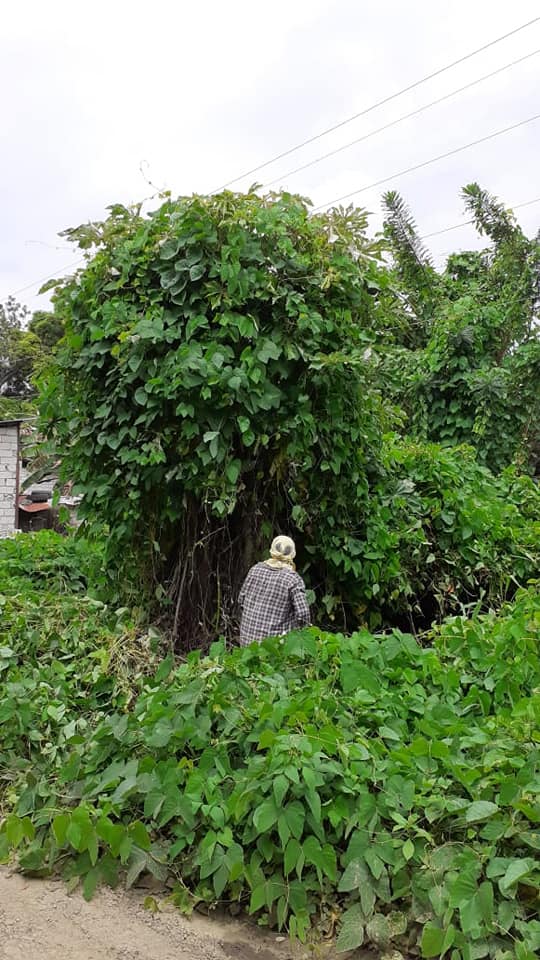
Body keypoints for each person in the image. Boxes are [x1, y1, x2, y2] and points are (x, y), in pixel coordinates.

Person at [238, 535, 311, 646]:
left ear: (272, 551)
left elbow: (241, 601)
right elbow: (303, 615)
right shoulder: (292, 579)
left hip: (246, 644)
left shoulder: (255, 570)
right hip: (272, 648)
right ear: (292, 554)